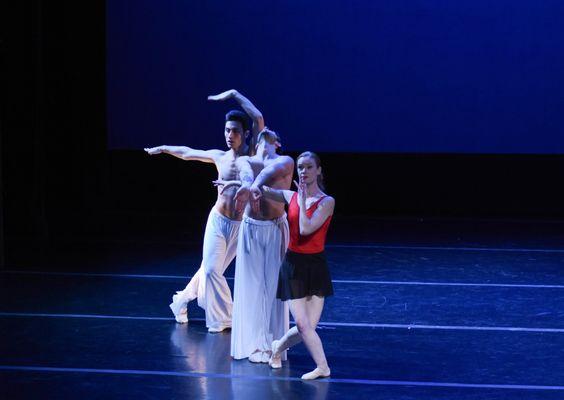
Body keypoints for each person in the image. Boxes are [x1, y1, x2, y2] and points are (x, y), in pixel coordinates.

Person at [144, 90, 263, 333]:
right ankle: (225, 318)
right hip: (218, 220)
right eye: (227, 130)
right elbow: (188, 153)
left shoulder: (252, 155)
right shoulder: (219, 157)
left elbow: (258, 118)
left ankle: (181, 301)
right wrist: (163, 147)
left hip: (240, 225)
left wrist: (234, 95)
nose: (230, 135)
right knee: (210, 269)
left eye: (236, 131)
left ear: (246, 134)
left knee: (211, 270)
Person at [218, 129, 294, 362]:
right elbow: (246, 172)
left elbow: (269, 172)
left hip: (275, 228)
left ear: (277, 142)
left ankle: (274, 346)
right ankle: (251, 343)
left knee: (273, 287)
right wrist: (247, 184)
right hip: (251, 227)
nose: (267, 130)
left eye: (272, 132)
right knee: (251, 285)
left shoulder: (285, 161)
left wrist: (254, 187)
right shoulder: (246, 160)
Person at [262, 151, 335, 380]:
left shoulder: (327, 202)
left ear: (319, 170)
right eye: (300, 167)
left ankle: (276, 348)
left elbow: (305, 228)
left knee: (307, 328)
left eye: (309, 167)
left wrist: (302, 200)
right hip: (293, 264)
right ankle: (323, 367)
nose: (303, 172)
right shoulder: (290, 196)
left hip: (315, 266)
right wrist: (239, 183)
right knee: (303, 326)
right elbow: (263, 191)